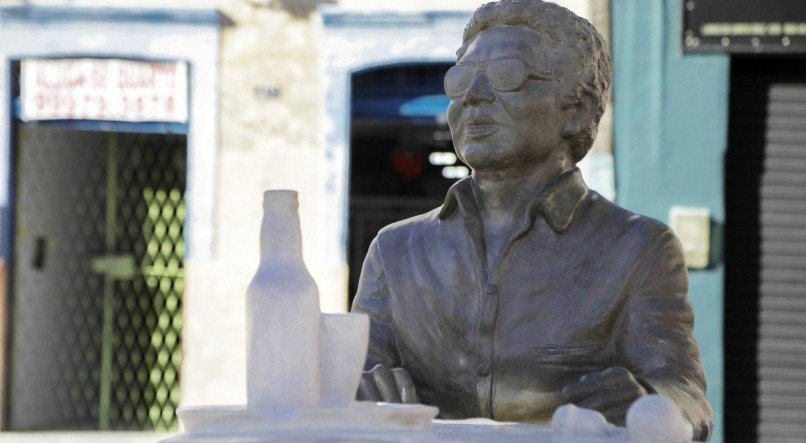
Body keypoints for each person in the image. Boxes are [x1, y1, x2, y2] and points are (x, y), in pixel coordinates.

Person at [351, 1, 712, 440]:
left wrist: (649, 405)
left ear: (576, 108)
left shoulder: (637, 248)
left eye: (507, 76)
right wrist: (356, 389)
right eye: (460, 79)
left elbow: (687, 395)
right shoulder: (395, 251)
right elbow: (353, 379)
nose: (474, 96)